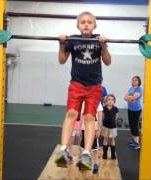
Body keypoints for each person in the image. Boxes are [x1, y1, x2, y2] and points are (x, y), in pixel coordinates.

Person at [55, 11, 111, 170]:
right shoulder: (72, 40)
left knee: (89, 117)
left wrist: (103, 46)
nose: (86, 24)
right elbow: (61, 60)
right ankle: (64, 150)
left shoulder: (99, 39)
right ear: (78, 25)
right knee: (72, 114)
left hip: (94, 87)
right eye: (83, 22)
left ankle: (86, 153)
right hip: (77, 84)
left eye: (89, 22)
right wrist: (61, 44)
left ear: (94, 25)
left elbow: (108, 61)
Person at [79, 102, 103, 174]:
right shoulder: (83, 102)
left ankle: (95, 165)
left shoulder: (97, 102)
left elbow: (100, 117)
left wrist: (99, 129)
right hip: (84, 128)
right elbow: (81, 116)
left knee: (94, 149)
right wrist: (79, 128)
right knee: (83, 147)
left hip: (94, 129)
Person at [124, 76, 143, 150]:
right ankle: (133, 140)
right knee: (131, 125)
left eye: (136, 80)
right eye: (133, 80)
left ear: (138, 81)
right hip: (130, 109)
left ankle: (137, 143)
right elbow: (125, 97)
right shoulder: (131, 89)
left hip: (136, 109)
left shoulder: (139, 89)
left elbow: (133, 97)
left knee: (135, 125)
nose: (134, 81)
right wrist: (130, 99)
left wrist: (130, 98)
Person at [101, 94, 119, 159]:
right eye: (109, 100)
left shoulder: (115, 109)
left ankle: (113, 154)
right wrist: (101, 125)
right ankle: (105, 154)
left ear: (114, 101)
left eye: (112, 100)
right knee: (105, 139)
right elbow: (102, 117)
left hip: (113, 127)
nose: (110, 101)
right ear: (106, 101)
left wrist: (114, 121)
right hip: (105, 126)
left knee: (112, 139)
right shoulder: (104, 108)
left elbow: (116, 116)